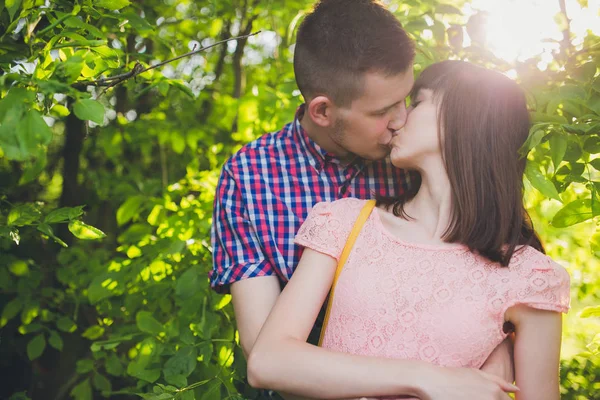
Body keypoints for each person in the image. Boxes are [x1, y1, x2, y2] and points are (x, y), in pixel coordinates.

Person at [211, 0, 515, 398]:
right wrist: (423, 378)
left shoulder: (414, 154)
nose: (401, 119)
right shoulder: (250, 178)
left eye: (406, 100)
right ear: (323, 110)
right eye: (382, 110)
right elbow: (265, 350)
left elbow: (490, 269)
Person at [247, 60, 571, 400]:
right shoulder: (344, 222)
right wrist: (427, 378)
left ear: (464, 121)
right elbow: (269, 361)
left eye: (417, 103)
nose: (399, 119)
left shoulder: (530, 275)